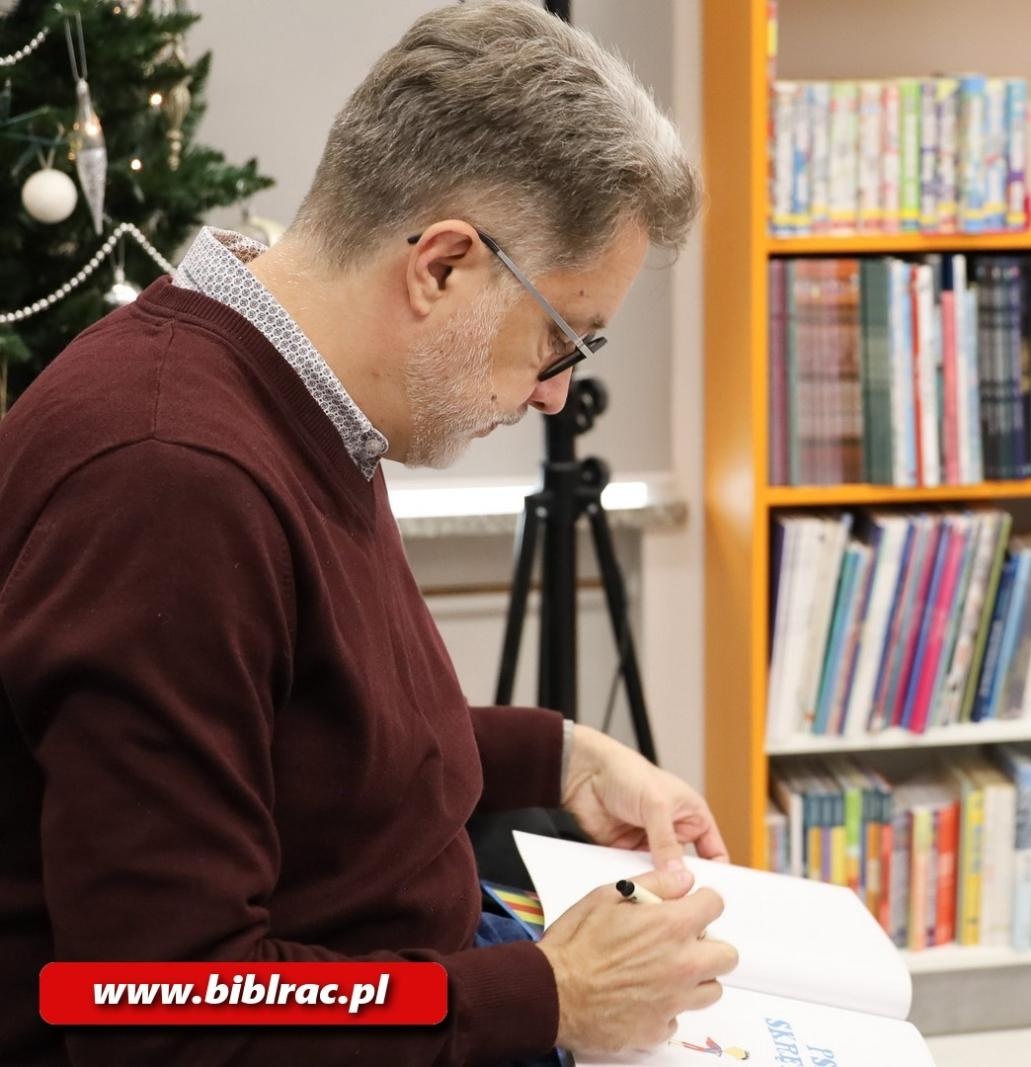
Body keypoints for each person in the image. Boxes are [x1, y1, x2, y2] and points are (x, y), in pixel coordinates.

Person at [0, 2, 733, 1064]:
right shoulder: (170, 480)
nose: (554, 393)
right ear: (441, 266)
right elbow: (163, 1015)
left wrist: (557, 754)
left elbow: (299, 741)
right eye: (559, 339)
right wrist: (553, 994)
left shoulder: (289, 384)